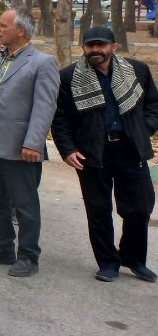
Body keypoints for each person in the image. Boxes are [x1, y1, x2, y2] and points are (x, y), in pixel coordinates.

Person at [52, 25, 158, 282]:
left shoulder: (137, 70)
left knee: (140, 207)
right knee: (98, 209)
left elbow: (153, 105)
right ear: (83, 48)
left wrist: (143, 129)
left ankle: (133, 258)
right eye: (90, 45)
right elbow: (60, 118)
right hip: (91, 153)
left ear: (113, 47)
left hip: (130, 149)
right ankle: (108, 262)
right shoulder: (68, 77)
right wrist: (68, 149)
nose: (95, 50)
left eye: (101, 45)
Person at [0, 9, 59, 277]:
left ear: (21, 31)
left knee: (24, 203)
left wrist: (34, 143)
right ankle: (2, 247)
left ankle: (28, 256)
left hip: (20, 146)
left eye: (3, 27)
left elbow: (44, 107)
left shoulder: (42, 63)